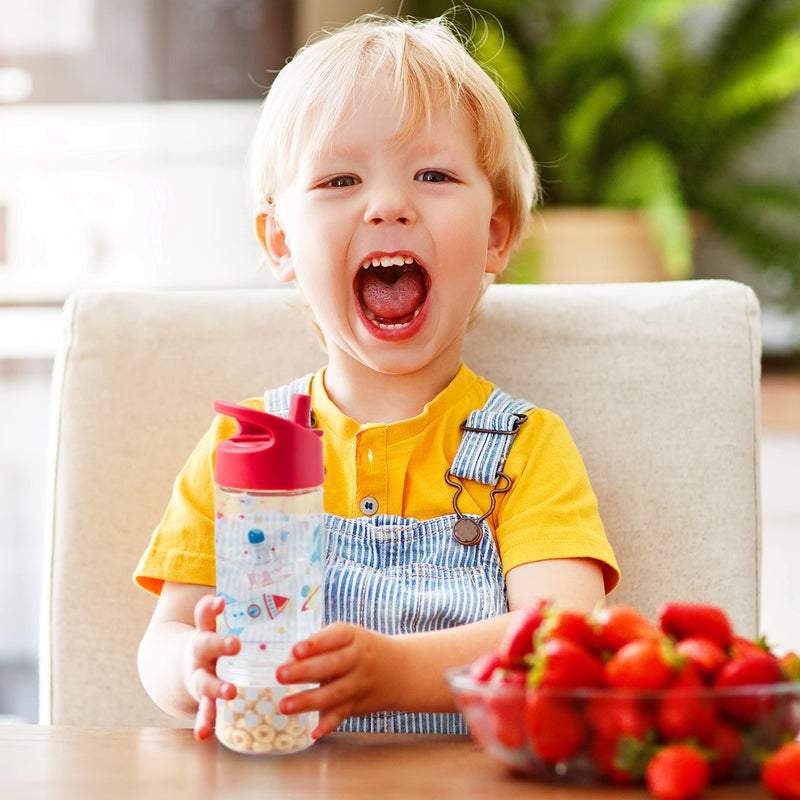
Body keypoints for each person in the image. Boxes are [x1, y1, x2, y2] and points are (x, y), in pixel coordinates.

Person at [134, 13, 620, 742]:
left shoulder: (528, 449)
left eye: (433, 174)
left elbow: (560, 638)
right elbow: (163, 638)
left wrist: (396, 674)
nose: (389, 204)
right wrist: (191, 668)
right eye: (339, 179)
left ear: (496, 234)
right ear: (280, 243)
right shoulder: (242, 450)